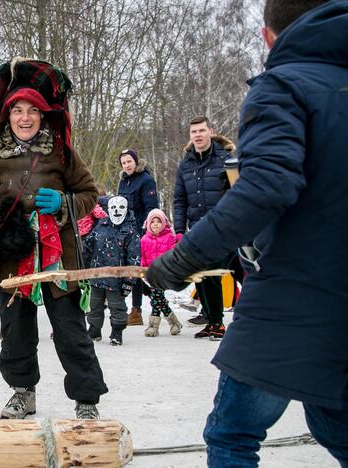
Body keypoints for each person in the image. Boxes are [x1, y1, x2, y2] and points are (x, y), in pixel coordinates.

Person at [147, 1, 348, 465]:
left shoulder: (283, 87)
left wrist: (181, 260)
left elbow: (265, 187)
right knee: (333, 423)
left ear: (268, 37)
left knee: (233, 434)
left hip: (299, 293)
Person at [0, 59, 108, 420]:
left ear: (43, 116)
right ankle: (22, 392)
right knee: (16, 334)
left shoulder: (61, 152)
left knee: (71, 331)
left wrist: (65, 202)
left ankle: (86, 398)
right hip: (12, 255)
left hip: (58, 257)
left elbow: (91, 193)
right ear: (7, 116)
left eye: (32, 110)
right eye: (17, 110)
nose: (25, 117)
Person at [172, 116, 235, 338]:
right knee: (201, 273)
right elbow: (179, 199)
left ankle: (217, 321)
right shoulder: (186, 163)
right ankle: (210, 319)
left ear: (211, 132)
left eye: (201, 130)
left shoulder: (226, 159)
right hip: (197, 229)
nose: (197, 135)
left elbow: (237, 191)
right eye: (193, 132)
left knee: (212, 272)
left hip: (223, 228)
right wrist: (179, 230)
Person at [83, 196, 140, 346]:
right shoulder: (101, 226)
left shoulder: (130, 232)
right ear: (108, 210)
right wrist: (83, 267)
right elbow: (88, 247)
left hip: (117, 280)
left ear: (126, 210)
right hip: (97, 275)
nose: (116, 211)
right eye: (113, 208)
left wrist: (129, 280)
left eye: (121, 208)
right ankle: (94, 330)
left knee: (117, 306)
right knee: (95, 305)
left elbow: (134, 258)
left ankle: (117, 332)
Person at [117, 149, 159, 327]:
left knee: (136, 271)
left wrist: (147, 230)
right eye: (124, 163)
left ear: (136, 162)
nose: (127, 165)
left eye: (129, 161)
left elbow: (151, 208)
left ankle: (137, 310)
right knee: (131, 270)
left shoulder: (146, 180)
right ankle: (147, 298)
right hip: (125, 230)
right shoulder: (123, 182)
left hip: (141, 231)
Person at [139, 209, 181, 337]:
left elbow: (173, 254)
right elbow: (143, 257)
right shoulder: (144, 239)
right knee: (158, 298)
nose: (156, 224)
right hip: (150, 274)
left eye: (158, 221)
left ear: (164, 223)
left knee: (156, 297)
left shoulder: (169, 237)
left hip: (164, 273)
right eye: (153, 222)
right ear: (148, 223)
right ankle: (174, 323)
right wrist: (143, 270)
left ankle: (153, 326)